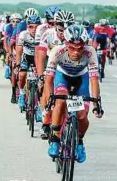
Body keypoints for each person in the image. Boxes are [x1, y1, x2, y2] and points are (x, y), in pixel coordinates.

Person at [43, 25, 104, 163]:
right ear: (66, 44)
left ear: (85, 45)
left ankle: (80, 142)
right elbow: (48, 81)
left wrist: (96, 103)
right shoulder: (57, 51)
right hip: (62, 77)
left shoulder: (90, 52)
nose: (76, 52)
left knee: (82, 116)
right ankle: (55, 139)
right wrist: (49, 99)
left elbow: (94, 80)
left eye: (80, 48)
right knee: (60, 101)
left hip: (80, 79)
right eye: (72, 48)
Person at [36, 10, 75, 139]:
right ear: (55, 25)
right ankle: (46, 120)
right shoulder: (47, 34)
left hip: (67, 65)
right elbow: (41, 55)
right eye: (60, 29)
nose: (63, 33)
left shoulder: (75, 34)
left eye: (66, 29)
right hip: (50, 62)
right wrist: (41, 75)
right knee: (47, 90)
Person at [15, 15, 41, 111]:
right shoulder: (23, 34)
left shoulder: (43, 35)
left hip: (38, 58)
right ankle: (22, 93)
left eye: (36, 27)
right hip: (26, 57)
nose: (34, 29)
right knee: (22, 76)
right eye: (31, 26)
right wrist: (17, 64)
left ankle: (39, 105)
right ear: (27, 27)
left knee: (41, 82)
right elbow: (19, 49)